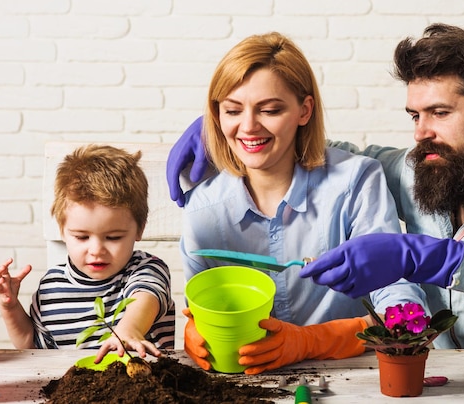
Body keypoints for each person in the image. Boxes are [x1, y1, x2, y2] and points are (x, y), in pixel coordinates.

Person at [167, 24, 464, 350]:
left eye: (439, 112)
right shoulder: (421, 168)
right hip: (444, 386)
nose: (420, 133)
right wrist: (231, 130)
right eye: (415, 115)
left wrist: (426, 257)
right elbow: (329, 156)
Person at [177, 32, 418, 374]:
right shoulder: (203, 209)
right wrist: (195, 329)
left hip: (351, 378)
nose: (248, 127)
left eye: (270, 110)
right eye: (232, 110)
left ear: (304, 110)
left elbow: (402, 309)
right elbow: (199, 308)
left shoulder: (355, 183)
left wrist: (311, 341)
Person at [0, 145, 176, 363]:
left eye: (114, 237)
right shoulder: (51, 288)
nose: (96, 250)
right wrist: (11, 307)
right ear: (63, 231)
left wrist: (129, 330)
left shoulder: (147, 269)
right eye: (81, 237)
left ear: (139, 229)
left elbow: (145, 297)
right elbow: (31, 345)